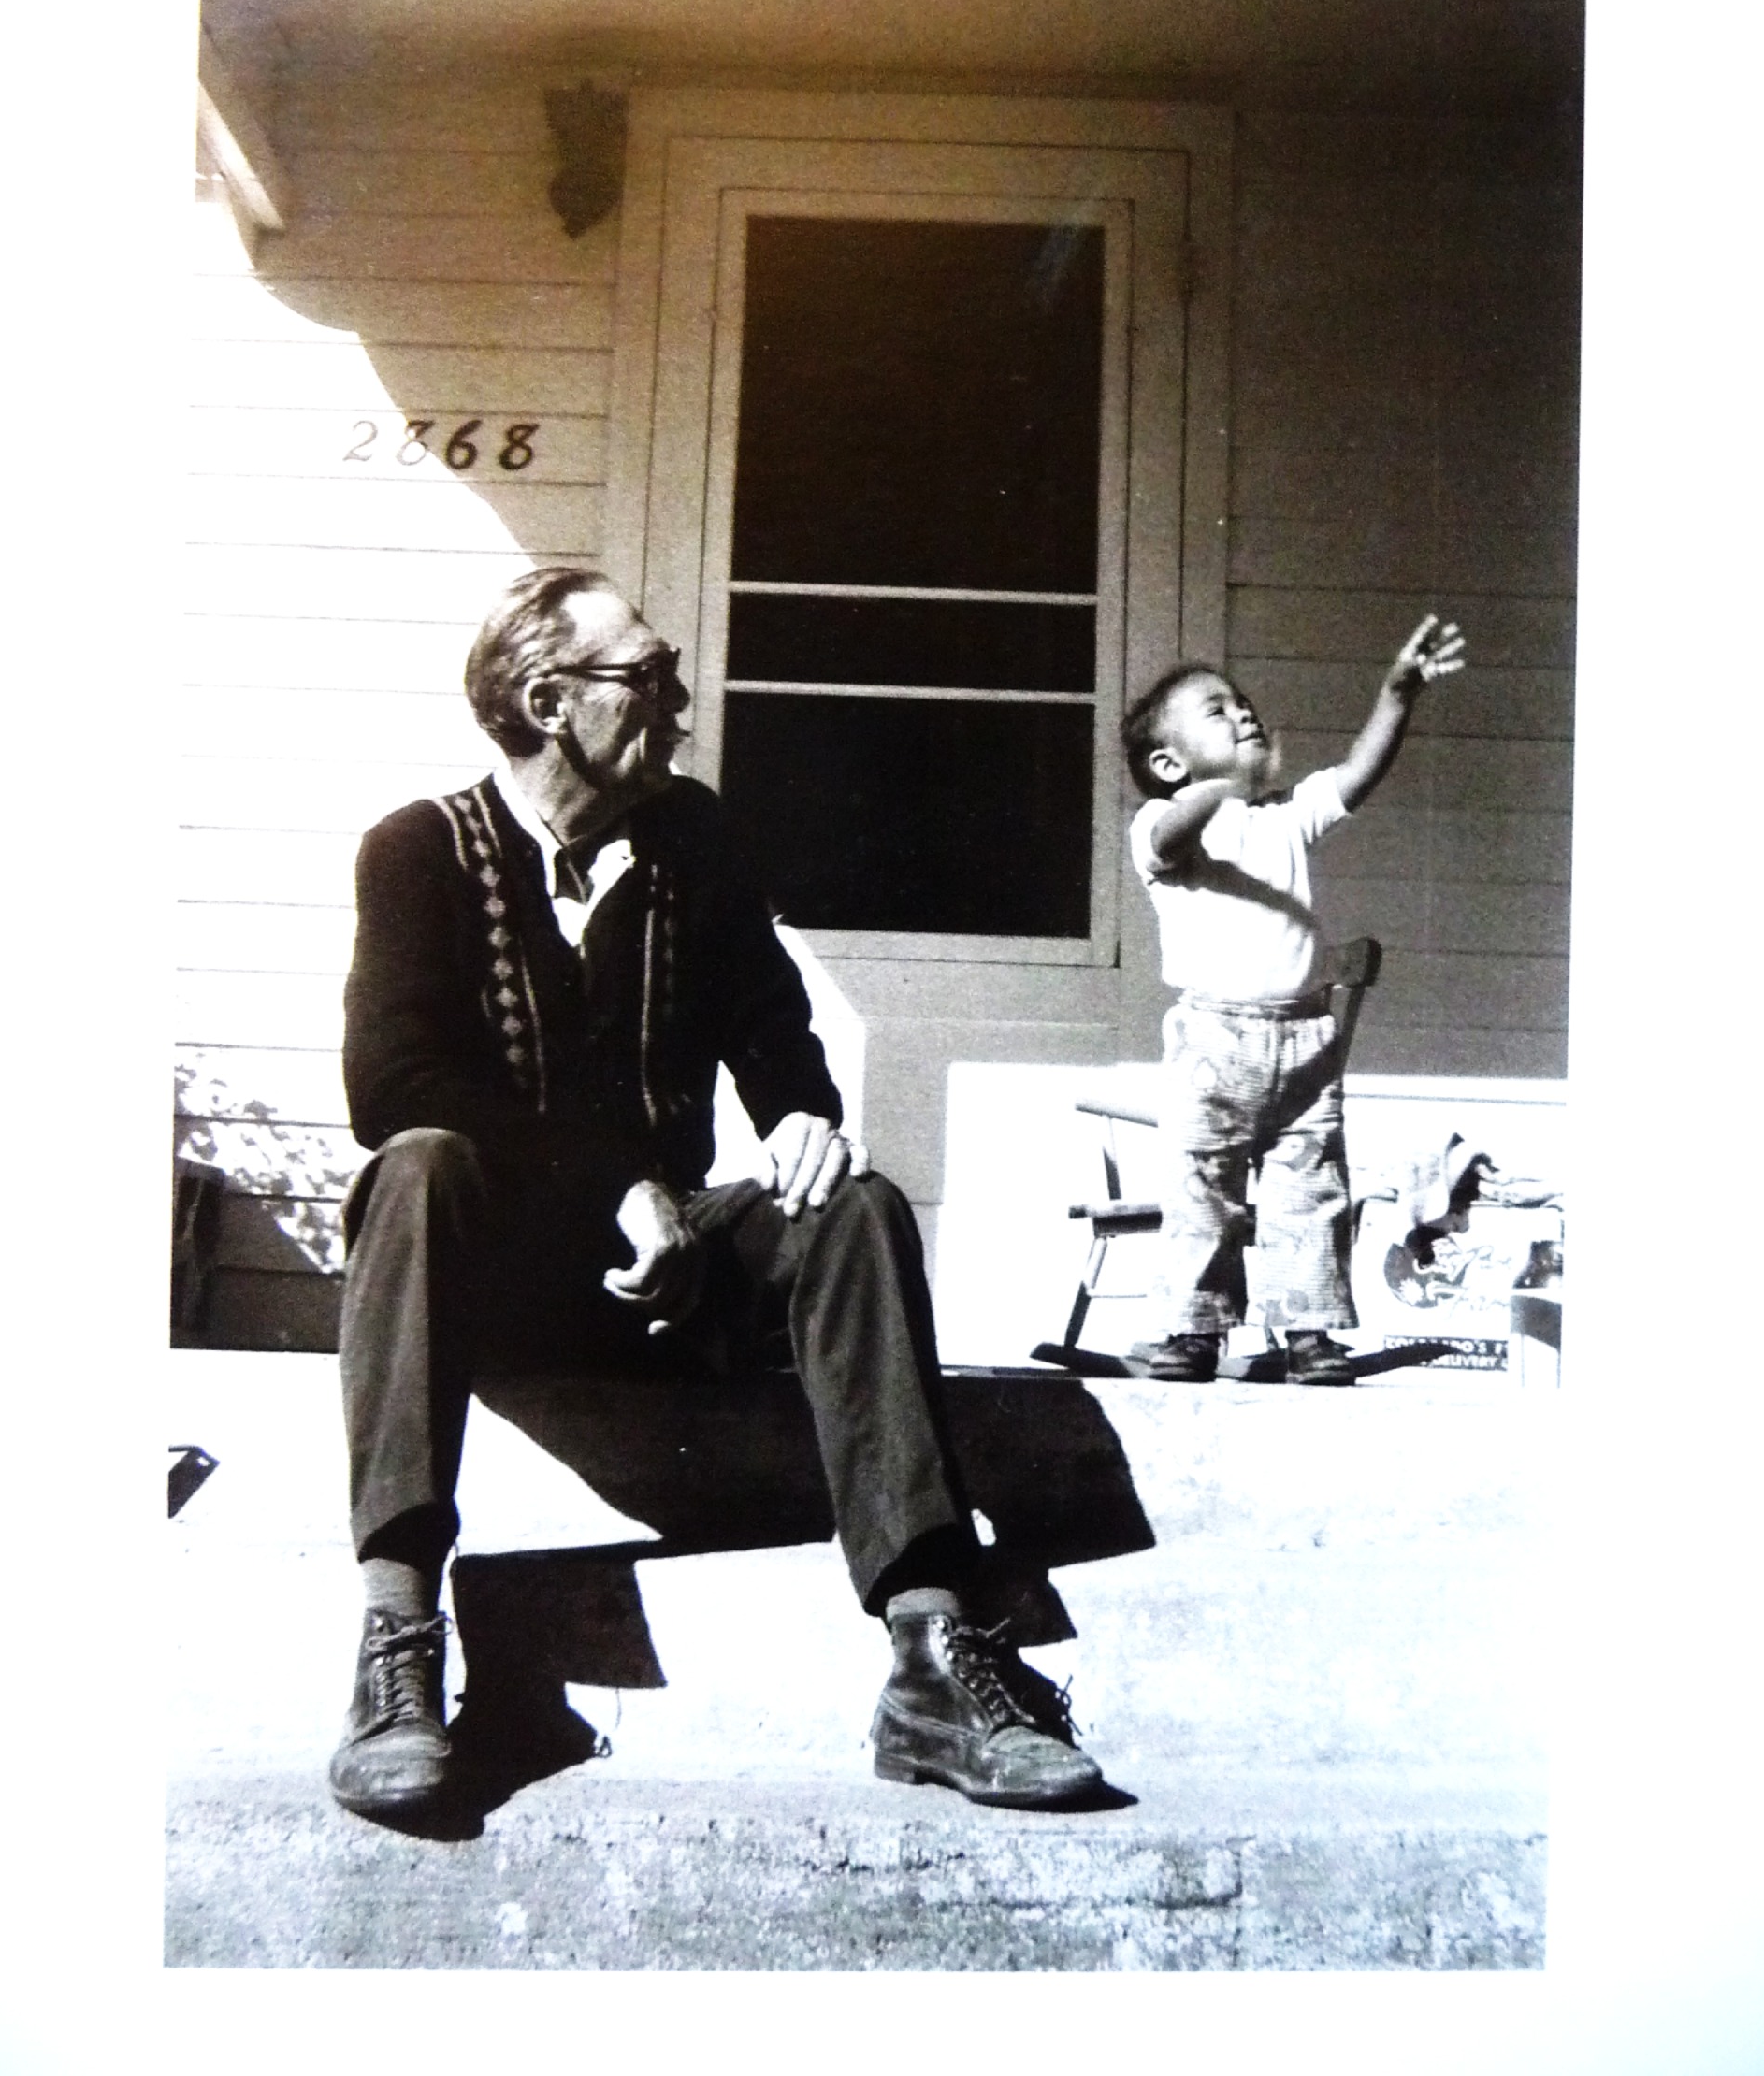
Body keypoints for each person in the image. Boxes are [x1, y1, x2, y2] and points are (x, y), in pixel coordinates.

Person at [329, 564, 1104, 1823]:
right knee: (415, 1165)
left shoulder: (696, 840)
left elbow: (768, 1024)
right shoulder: (420, 852)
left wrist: (804, 1116)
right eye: (646, 676)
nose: (678, 700)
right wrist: (613, 1182)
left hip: (676, 1270)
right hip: (514, 1290)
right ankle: (397, 1647)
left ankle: (930, 1655)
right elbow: (394, 1080)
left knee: (854, 1206)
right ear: (544, 699)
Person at [1119, 615, 1467, 1385]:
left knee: (1308, 1193)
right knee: (1203, 1190)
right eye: (1217, 709)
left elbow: (1357, 774)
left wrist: (1397, 694)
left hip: (1303, 1042)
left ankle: (1306, 1333)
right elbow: (1174, 835)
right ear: (1168, 762)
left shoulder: (1283, 818)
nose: (1242, 711)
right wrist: (1221, 788)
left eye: (1242, 702)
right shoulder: (1165, 824)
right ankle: (1193, 1331)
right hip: (1213, 1043)